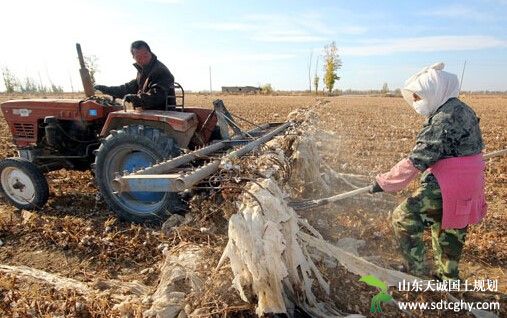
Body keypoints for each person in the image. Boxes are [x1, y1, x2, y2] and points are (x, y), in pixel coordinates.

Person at [369, 62, 486, 281]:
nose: (416, 103)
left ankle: (418, 272)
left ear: (435, 91)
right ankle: (449, 278)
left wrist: (384, 182)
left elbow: (418, 159)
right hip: (471, 180)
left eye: (419, 97)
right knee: (450, 225)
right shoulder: (463, 109)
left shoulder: (443, 118)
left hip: (450, 183)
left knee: (403, 217)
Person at [94, 40, 176, 110]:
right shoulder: (143, 72)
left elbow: (156, 97)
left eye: (145, 55)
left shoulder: (160, 71)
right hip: (150, 112)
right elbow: (128, 88)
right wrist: (105, 89)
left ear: (150, 52)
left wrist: (133, 98)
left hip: (162, 113)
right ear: (133, 57)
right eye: (139, 58)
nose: (143, 60)